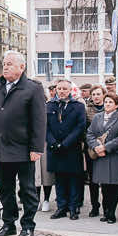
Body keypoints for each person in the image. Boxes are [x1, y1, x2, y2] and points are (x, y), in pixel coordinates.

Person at [0, 51, 46, 236]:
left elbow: (39, 120)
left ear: (22, 67)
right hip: (0, 148)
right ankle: (8, 223)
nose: (6, 66)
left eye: (10, 63)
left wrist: (36, 148)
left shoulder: (32, 88)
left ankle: (28, 225)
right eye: (4, 63)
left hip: (24, 149)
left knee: (27, 189)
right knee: (5, 189)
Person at [47, 79, 86, 220]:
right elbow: (46, 127)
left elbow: (80, 127)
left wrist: (65, 143)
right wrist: (52, 142)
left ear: (70, 90)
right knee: (59, 179)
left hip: (71, 148)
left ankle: (73, 207)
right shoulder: (50, 105)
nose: (62, 91)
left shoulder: (78, 106)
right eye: (59, 88)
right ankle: (61, 207)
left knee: (73, 179)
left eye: (65, 89)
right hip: (54, 148)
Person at [86, 93, 118, 223]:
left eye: (110, 102)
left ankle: (112, 213)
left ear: (116, 105)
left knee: (113, 186)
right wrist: (96, 147)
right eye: (106, 102)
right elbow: (90, 134)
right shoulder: (98, 117)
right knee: (104, 186)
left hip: (114, 155)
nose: (107, 104)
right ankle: (105, 211)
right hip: (100, 155)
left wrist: (106, 147)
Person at [84, 85, 106, 217]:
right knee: (93, 179)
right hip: (92, 148)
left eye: (98, 94)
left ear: (104, 94)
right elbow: (85, 130)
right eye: (94, 94)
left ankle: (106, 206)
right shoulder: (87, 110)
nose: (96, 97)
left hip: (106, 147)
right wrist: (93, 144)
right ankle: (95, 206)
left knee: (106, 180)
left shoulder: (110, 107)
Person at [37, 84, 56, 211]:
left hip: (45, 143)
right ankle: (36, 199)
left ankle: (46, 199)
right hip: (32, 143)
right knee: (35, 174)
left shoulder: (48, 107)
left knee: (46, 174)